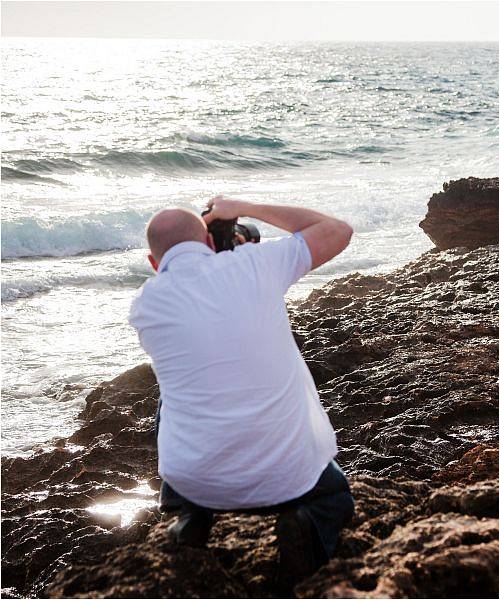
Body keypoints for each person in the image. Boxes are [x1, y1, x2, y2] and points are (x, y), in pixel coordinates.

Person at [128, 197, 355, 585]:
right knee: (334, 499)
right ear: (214, 243)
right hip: (287, 476)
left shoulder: (145, 305)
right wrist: (244, 208)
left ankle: (189, 517)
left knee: (175, 389)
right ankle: (305, 525)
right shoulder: (256, 265)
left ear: (154, 263)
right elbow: (338, 230)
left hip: (195, 480)